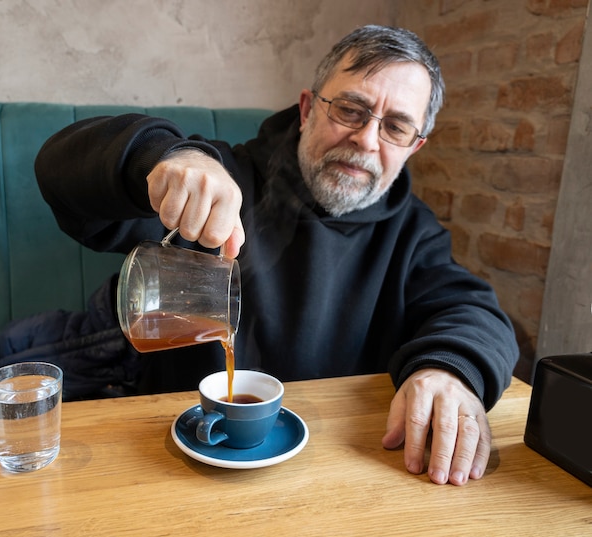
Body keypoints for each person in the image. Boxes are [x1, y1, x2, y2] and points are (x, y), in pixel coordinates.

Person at [34, 25, 519, 485]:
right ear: (308, 109)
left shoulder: (412, 232)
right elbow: (59, 173)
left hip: (337, 467)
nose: (366, 140)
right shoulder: (227, 177)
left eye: (395, 127)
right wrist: (165, 158)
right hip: (172, 459)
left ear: (415, 146)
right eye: (350, 109)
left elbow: (471, 309)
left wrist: (449, 370)